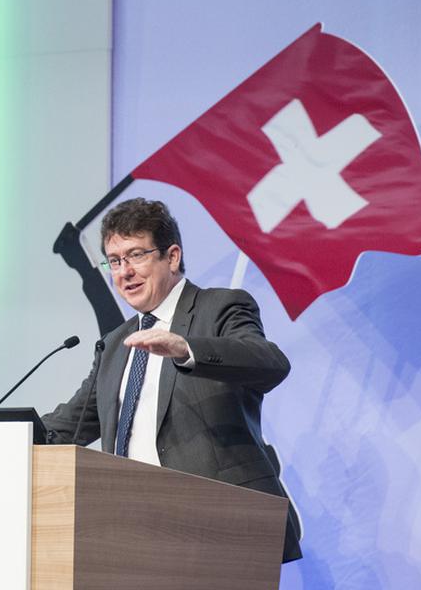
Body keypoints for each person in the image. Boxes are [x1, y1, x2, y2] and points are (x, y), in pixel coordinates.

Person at [41, 198, 303, 563]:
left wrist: (186, 349)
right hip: (135, 530)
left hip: (222, 525)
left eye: (135, 255)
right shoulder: (116, 343)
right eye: (114, 261)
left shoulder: (221, 307)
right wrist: (1, 434)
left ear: (172, 256)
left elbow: (269, 363)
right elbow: (72, 424)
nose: (124, 272)